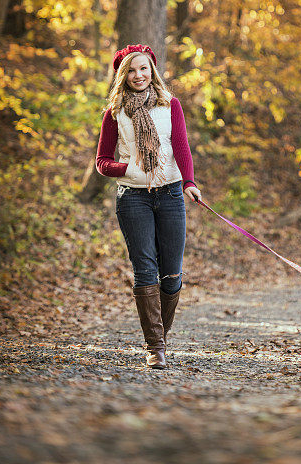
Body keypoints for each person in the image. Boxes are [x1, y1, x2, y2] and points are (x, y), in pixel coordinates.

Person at [95, 43, 202, 369]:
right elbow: (101, 162)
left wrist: (189, 183)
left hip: (170, 195)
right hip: (133, 198)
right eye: (131, 70)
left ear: (152, 70)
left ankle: (160, 337)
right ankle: (155, 347)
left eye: (143, 68)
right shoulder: (114, 113)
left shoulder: (170, 105)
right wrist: (127, 169)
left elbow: (181, 148)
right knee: (145, 270)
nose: (138, 75)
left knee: (171, 274)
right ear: (122, 74)